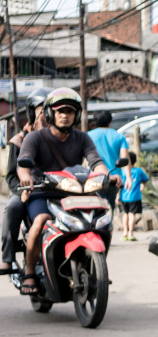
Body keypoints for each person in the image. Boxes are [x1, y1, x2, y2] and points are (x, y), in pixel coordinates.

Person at [16, 88, 120, 295]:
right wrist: (25, 177)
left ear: (77, 115)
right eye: (60, 111)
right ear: (49, 114)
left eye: (70, 111)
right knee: (40, 221)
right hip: (42, 193)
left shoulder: (82, 138)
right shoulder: (35, 138)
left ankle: (94, 268)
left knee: (102, 219)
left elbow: (96, 161)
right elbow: (22, 164)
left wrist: (107, 176)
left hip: (74, 194)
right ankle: (29, 272)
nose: (65, 115)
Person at [0, 90, 48, 277]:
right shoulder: (19, 141)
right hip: (27, 191)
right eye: (42, 109)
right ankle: (7, 258)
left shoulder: (61, 139)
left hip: (57, 189)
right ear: (31, 112)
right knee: (13, 206)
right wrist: (21, 191)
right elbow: (12, 175)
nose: (47, 113)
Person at [88, 110, 129, 206]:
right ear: (110, 122)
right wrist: (128, 178)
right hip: (114, 179)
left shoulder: (88, 136)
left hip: (94, 178)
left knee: (95, 208)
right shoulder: (119, 136)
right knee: (109, 208)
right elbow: (125, 158)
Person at [113, 151, 148, 241]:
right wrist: (142, 186)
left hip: (124, 197)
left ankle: (124, 233)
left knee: (125, 214)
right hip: (135, 197)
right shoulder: (139, 171)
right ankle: (131, 233)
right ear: (135, 160)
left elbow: (119, 185)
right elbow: (145, 179)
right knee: (132, 215)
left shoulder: (123, 172)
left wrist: (118, 196)